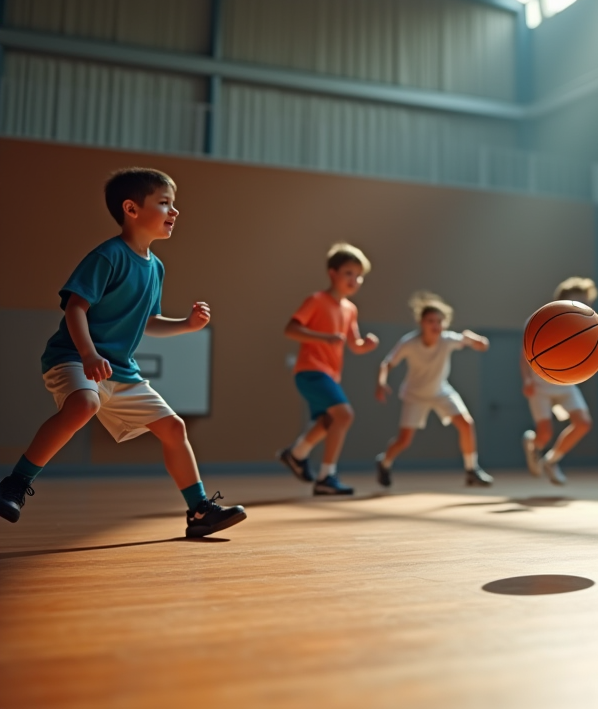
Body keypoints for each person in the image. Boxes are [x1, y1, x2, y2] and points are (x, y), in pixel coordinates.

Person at [0, 168, 245, 537]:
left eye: (174, 204)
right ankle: (14, 484)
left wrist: (186, 325)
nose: (174, 211)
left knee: (173, 428)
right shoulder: (108, 256)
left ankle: (198, 512)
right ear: (131, 208)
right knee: (84, 404)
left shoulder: (156, 267)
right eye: (164, 203)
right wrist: (88, 354)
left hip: (119, 370)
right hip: (73, 356)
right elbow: (75, 308)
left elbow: (149, 320)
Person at [277, 243, 379, 496]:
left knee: (328, 420)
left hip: (330, 374)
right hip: (310, 371)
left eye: (359, 275)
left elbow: (353, 344)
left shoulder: (350, 309)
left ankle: (296, 453)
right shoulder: (316, 300)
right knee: (344, 415)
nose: (354, 279)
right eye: (348, 273)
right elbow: (290, 329)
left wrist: (365, 345)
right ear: (332, 273)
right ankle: (326, 476)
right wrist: (323, 338)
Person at [374, 292, 493, 487]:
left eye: (439, 321)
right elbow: (387, 363)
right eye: (430, 321)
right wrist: (381, 382)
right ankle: (384, 462)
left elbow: (483, 345)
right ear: (421, 323)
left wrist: (474, 338)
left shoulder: (447, 339)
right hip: (415, 395)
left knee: (466, 424)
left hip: (440, 391)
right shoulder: (409, 343)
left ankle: (472, 470)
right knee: (404, 441)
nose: (435, 325)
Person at [520, 277, 598, 486]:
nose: (586, 305)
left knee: (583, 423)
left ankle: (551, 461)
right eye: (580, 300)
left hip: (566, 384)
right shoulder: (539, 320)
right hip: (540, 385)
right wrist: (527, 379)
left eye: (587, 301)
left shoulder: (588, 325)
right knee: (544, 433)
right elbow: (524, 354)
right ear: (564, 300)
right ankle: (533, 444)